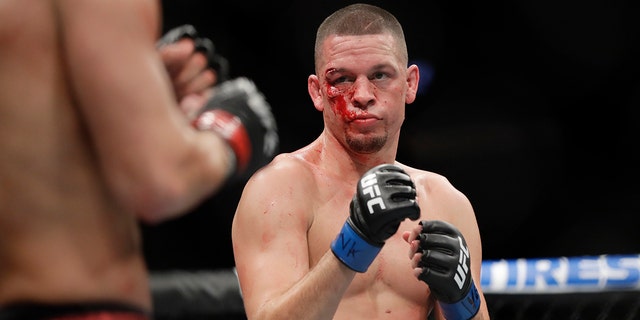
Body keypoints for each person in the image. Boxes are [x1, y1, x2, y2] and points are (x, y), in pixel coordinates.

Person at [0, 1, 276, 319]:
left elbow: (32, 146)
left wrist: (134, 100)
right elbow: (161, 182)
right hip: (82, 306)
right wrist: (231, 131)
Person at [232, 3, 489, 320]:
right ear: (317, 92)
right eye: (341, 79)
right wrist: (353, 244)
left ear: (410, 84)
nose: (362, 94)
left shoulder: (446, 202)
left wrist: (460, 299)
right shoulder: (280, 190)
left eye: (380, 75)